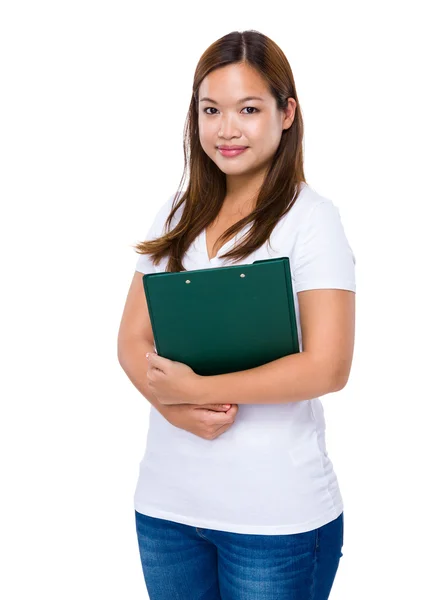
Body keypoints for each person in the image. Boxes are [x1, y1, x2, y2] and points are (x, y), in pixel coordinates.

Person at [118, 29, 356, 600]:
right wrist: (172, 409)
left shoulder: (310, 220)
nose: (227, 128)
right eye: (211, 110)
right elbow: (131, 340)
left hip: (274, 521)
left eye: (249, 109)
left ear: (287, 112)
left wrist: (195, 388)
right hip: (167, 509)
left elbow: (328, 367)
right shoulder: (175, 215)